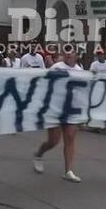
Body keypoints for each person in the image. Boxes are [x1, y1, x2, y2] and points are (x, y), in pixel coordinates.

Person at [32, 51, 83, 183]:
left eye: (72, 52)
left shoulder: (80, 70)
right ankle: (39, 154)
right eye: (67, 52)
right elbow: (46, 85)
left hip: (71, 109)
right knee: (53, 141)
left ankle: (68, 171)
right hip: (55, 108)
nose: (69, 54)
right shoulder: (56, 67)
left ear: (77, 55)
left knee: (70, 137)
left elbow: (81, 91)